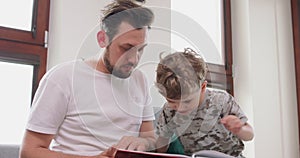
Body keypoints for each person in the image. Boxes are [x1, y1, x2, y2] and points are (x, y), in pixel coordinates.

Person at [20, 0, 155, 158]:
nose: (134, 59)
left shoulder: (140, 80)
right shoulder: (63, 78)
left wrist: (144, 143)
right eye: (126, 48)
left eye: (141, 49)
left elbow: (150, 138)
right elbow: (29, 152)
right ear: (102, 39)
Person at [155, 48, 254, 157]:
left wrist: (239, 128)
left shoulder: (221, 100)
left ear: (202, 87)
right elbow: (162, 142)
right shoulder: (168, 111)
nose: (180, 108)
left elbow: (249, 135)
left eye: (187, 101)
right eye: (172, 101)